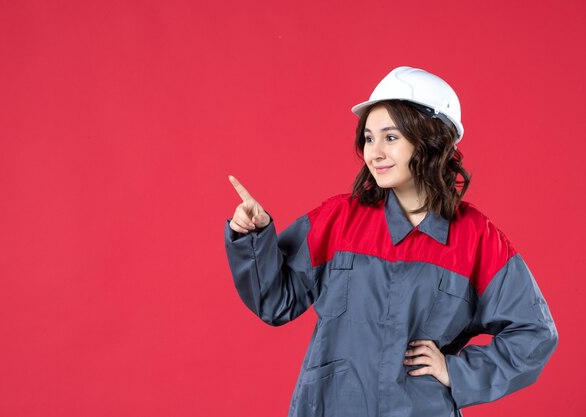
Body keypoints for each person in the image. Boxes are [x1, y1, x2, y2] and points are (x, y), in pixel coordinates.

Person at [223, 66, 558, 417]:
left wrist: (455, 371)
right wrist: (254, 238)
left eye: (391, 137)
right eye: (368, 138)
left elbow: (534, 334)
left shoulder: (476, 238)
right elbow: (276, 302)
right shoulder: (338, 220)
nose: (375, 153)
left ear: (431, 140)